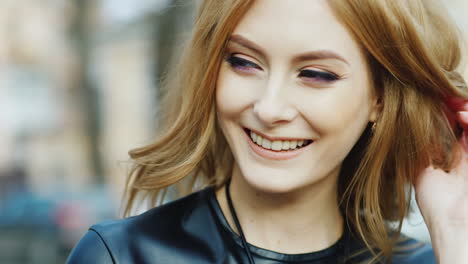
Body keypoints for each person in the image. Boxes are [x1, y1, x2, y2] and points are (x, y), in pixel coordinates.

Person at [67, 0, 468, 263]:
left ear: (380, 99)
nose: (268, 107)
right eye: (244, 62)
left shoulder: (433, 257)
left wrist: (453, 229)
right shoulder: (122, 255)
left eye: (315, 74)